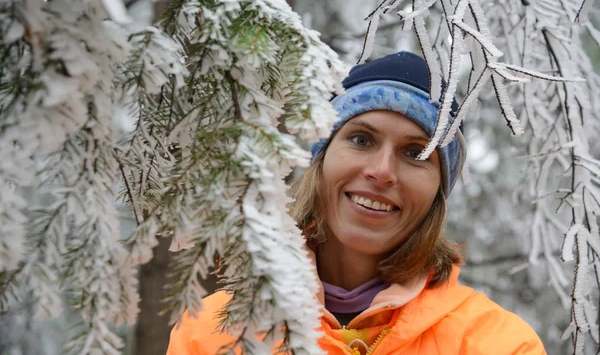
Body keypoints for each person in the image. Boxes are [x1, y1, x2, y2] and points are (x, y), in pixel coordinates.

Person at [166, 51, 546, 354]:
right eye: (361, 140)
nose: (382, 172)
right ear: (322, 158)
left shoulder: (497, 343)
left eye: (416, 153)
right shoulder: (211, 332)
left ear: (438, 191)